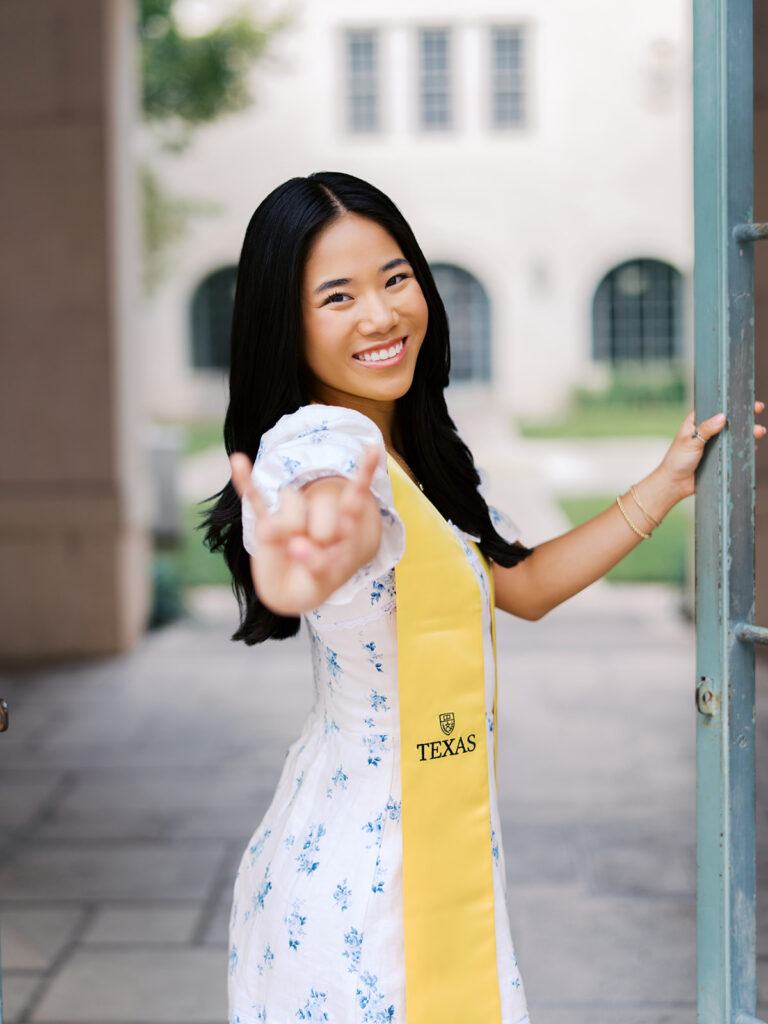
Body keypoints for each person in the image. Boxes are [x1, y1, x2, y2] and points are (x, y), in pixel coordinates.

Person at [204, 170, 765, 1024]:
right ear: (287, 323)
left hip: (424, 831)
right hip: (364, 881)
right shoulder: (324, 442)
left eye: (395, 279)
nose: (382, 315)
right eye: (338, 297)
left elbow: (523, 586)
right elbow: (326, 518)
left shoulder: (414, 451)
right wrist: (301, 570)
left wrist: (663, 485)